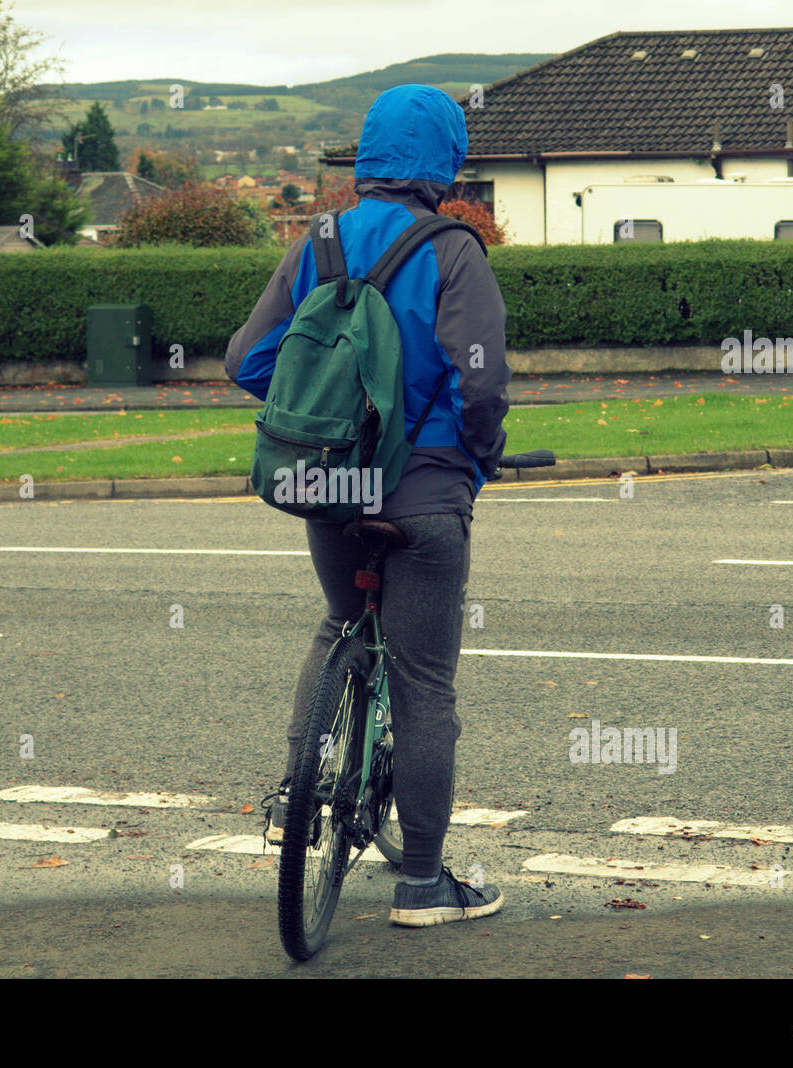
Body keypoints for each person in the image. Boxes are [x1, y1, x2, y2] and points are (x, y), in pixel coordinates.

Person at [225, 84, 511, 928]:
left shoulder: (316, 240)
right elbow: (482, 382)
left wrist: (323, 406)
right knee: (424, 685)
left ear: (369, 157)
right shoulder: (455, 248)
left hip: (326, 486)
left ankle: (301, 796)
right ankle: (422, 886)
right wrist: (477, 456)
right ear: (444, 161)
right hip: (423, 494)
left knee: (337, 625)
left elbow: (247, 360)